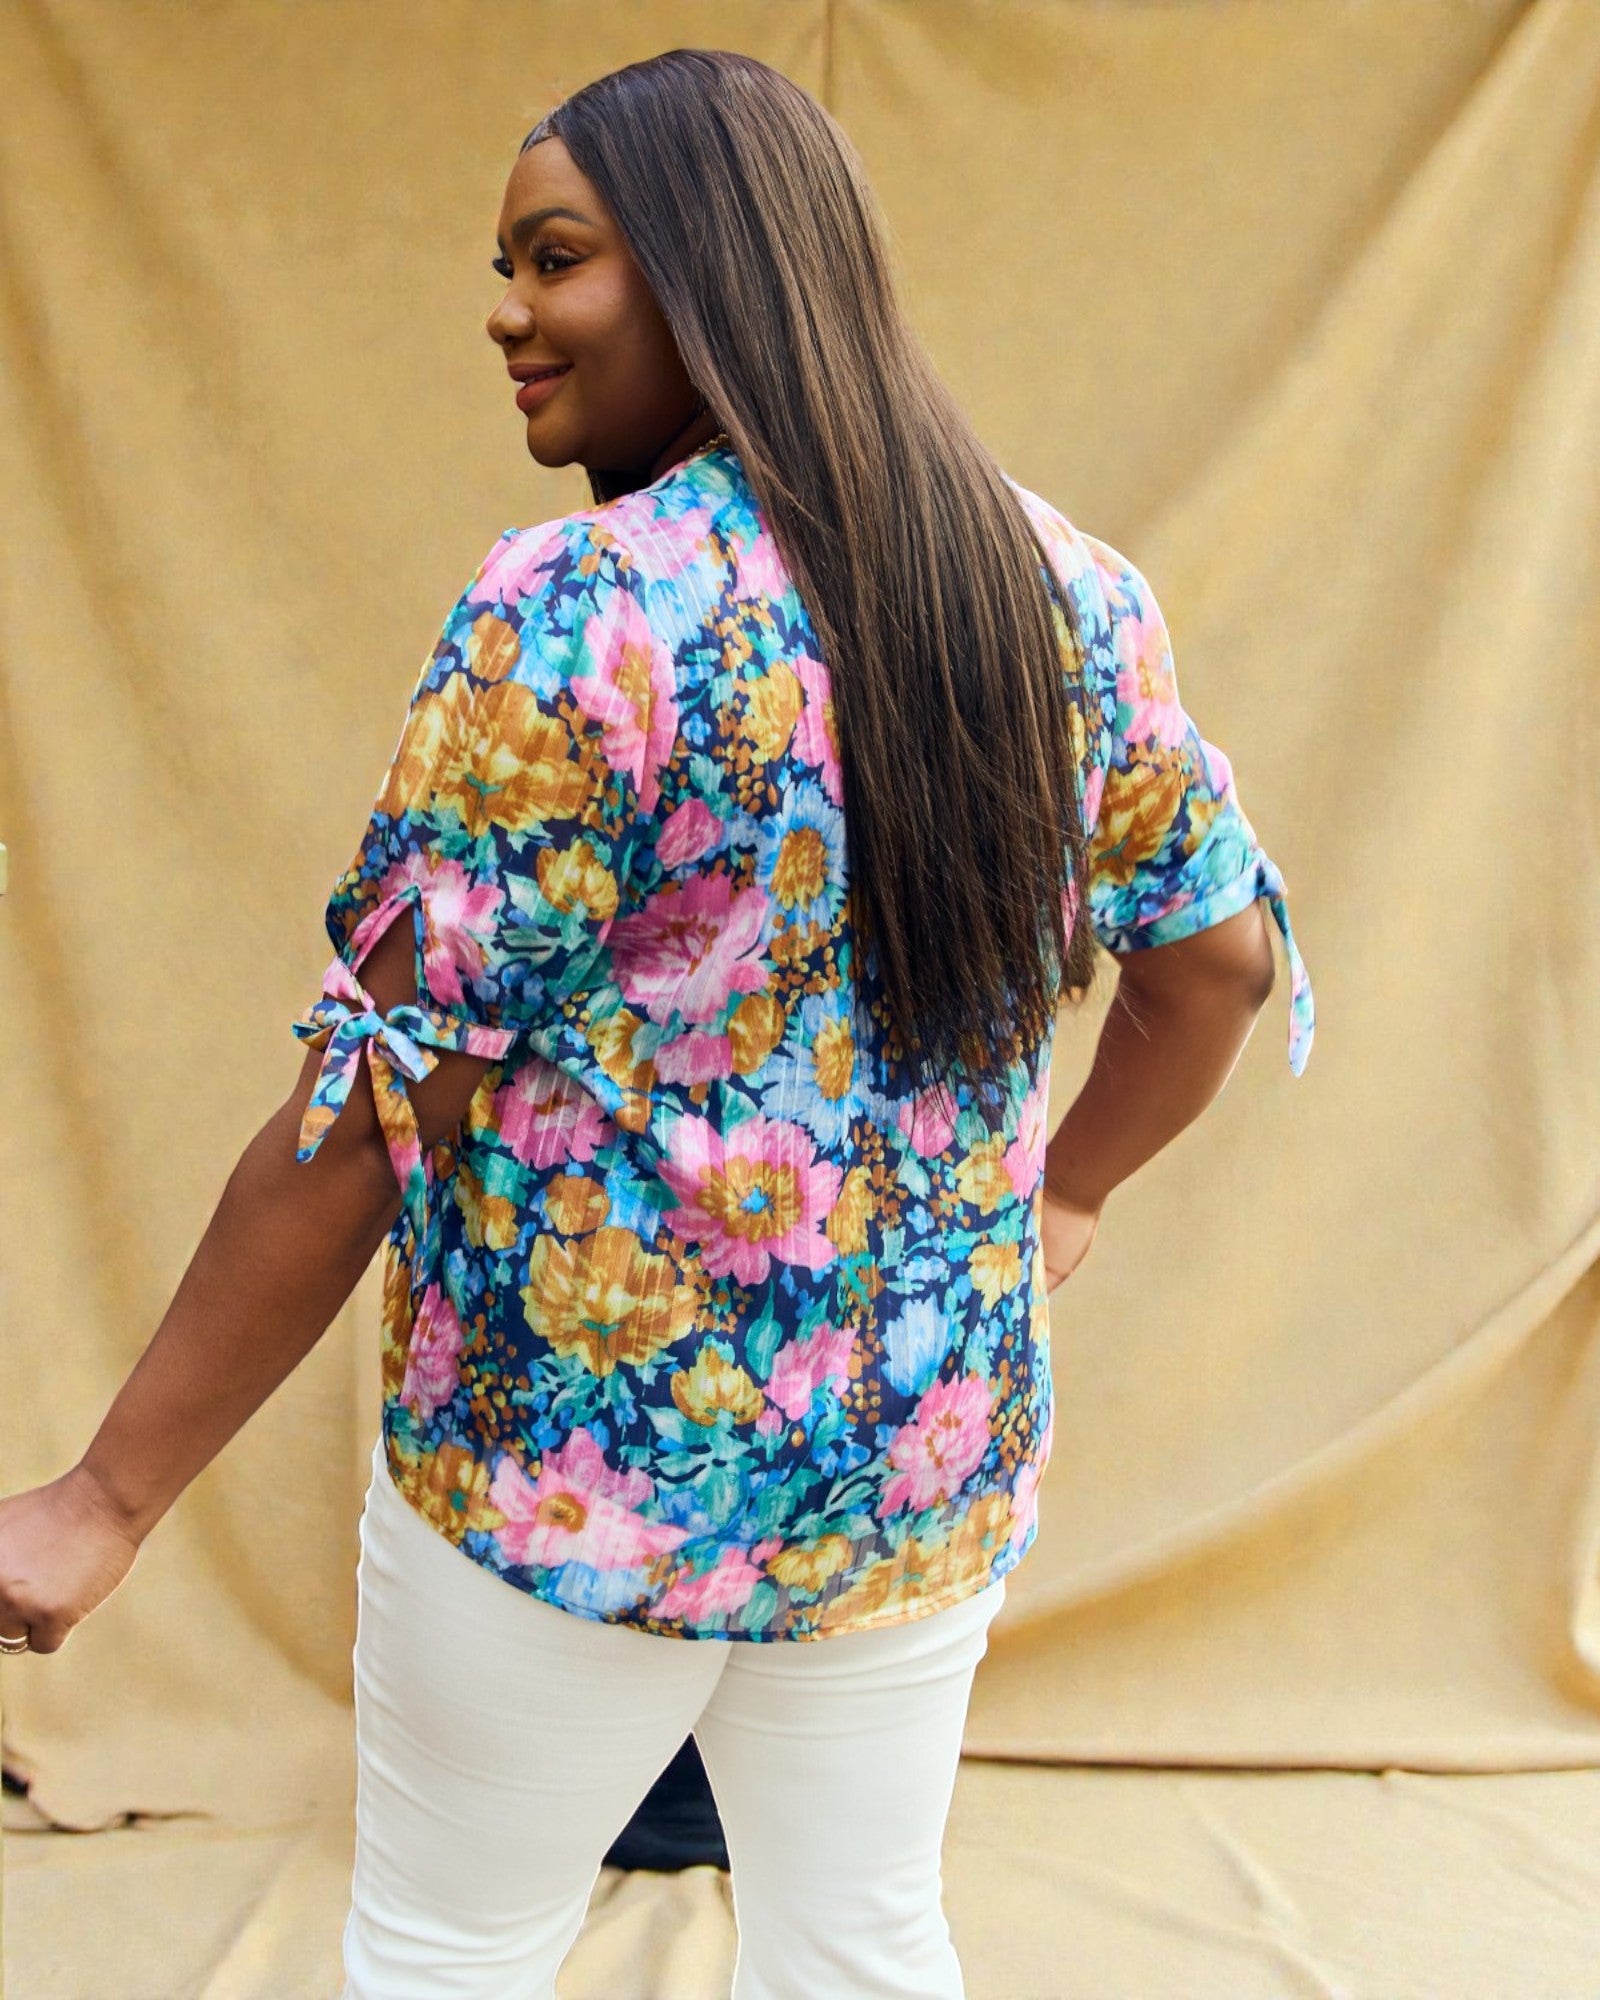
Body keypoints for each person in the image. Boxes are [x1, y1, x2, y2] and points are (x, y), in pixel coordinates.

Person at [0, 45, 1315, 2000]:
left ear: (715, 273)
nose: (503, 309)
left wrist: (105, 1498)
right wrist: (1068, 1190)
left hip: (565, 1473)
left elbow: (374, 1108)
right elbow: (1212, 966)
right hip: (909, 1461)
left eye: (555, 257)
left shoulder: (579, 617)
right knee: (858, 1941)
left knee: (450, 1943)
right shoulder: (1060, 590)